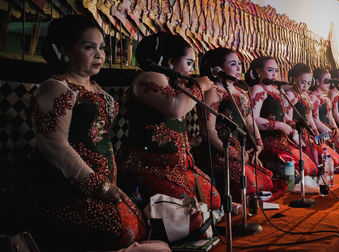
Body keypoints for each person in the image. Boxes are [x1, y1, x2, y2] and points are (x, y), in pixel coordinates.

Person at [29, 15, 147, 251]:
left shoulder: (96, 88)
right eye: (88, 47)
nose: (99, 54)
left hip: (103, 188)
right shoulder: (56, 87)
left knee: (140, 223)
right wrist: (98, 186)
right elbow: (55, 146)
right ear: (65, 50)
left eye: (101, 48)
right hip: (67, 193)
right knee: (120, 228)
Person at [117, 32, 221, 211]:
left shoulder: (170, 82)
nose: (191, 70)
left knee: (212, 200)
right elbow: (174, 109)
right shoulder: (150, 76)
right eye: (188, 63)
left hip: (175, 167)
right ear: (170, 62)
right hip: (150, 167)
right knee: (189, 207)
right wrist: (199, 86)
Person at [195, 49, 286, 202]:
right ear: (218, 69)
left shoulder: (240, 91)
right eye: (233, 64)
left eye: (239, 64)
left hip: (240, 150)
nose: (239, 68)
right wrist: (232, 153)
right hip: (219, 151)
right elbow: (207, 130)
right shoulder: (213, 91)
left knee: (266, 182)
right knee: (250, 185)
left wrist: (259, 144)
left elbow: (249, 121)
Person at [246, 57, 318, 177]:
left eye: (276, 70)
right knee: (298, 171)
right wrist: (279, 125)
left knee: (310, 168)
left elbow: (284, 116)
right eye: (270, 70)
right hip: (267, 141)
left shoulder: (276, 90)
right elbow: (252, 119)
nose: (274, 74)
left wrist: (292, 128)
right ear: (258, 72)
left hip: (283, 139)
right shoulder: (258, 89)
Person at [285, 63, 339, 169]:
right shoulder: (290, 95)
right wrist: (297, 138)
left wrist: (316, 135)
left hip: (308, 135)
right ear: (293, 79)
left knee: (335, 158)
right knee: (322, 161)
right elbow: (287, 119)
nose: (305, 86)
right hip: (296, 136)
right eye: (302, 82)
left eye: (308, 83)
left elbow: (310, 118)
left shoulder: (306, 95)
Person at [309, 68, 339, 162]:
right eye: (326, 81)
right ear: (317, 81)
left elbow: (331, 116)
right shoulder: (313, 97)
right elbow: (314, 119)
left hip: (329, 131)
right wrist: (329, 131)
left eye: (329, 81)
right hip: (320, 133)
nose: (329, 84)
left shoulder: (326, 98)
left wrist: (335, 129)